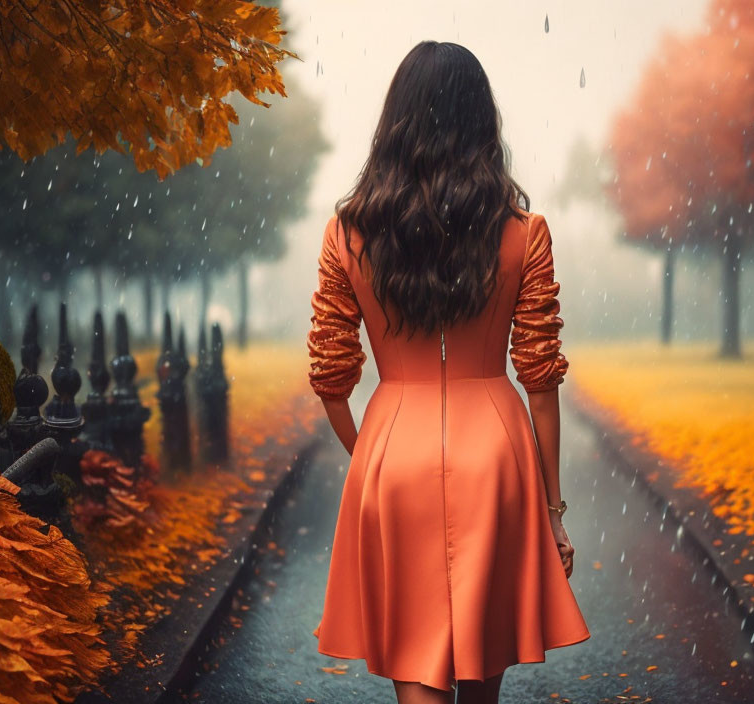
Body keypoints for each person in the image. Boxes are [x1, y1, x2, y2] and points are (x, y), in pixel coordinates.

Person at [306, 40, 590, 704]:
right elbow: (540, 380)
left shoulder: (348, 233)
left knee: (415, 667)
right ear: (481, 121)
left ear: (394, 122)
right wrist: (553, 510)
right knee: (479, 675)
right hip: (496, 456)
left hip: (392, 448)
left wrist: (369, 454)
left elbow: (331, 377)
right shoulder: (524, 232)